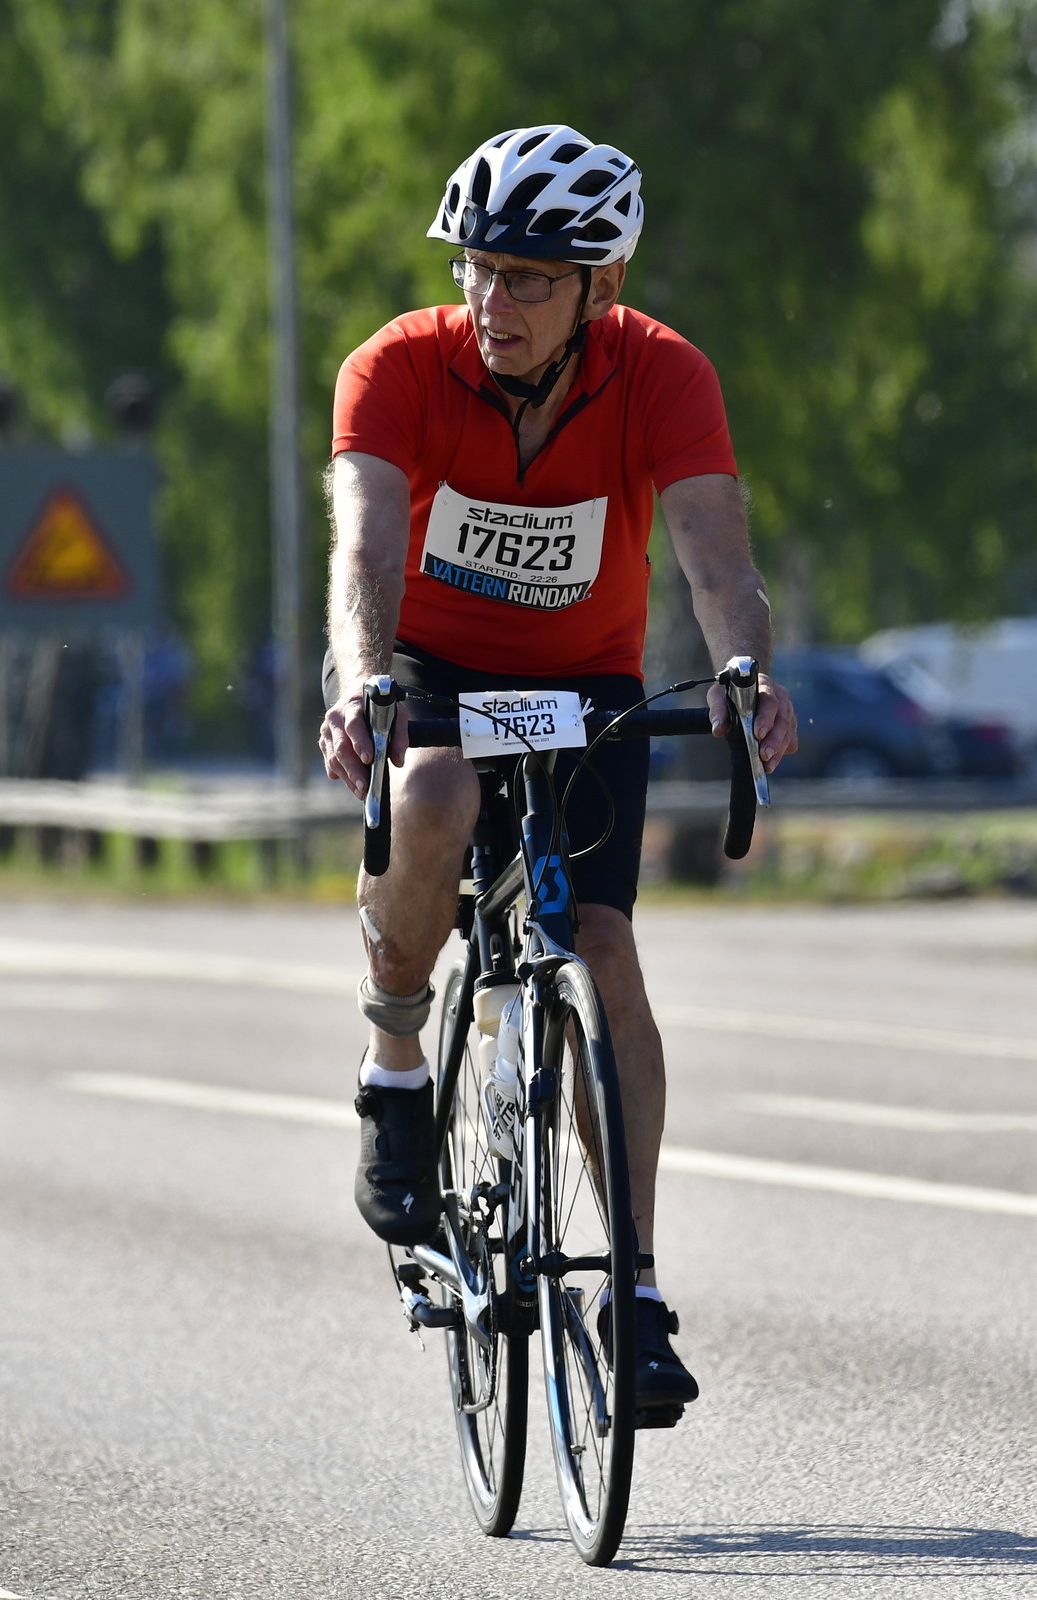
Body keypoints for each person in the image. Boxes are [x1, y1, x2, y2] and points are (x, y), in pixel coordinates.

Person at [318, 124, 798, 1422]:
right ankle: (396, 1064)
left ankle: (633, 1288)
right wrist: (362, 681)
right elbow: (364, 550)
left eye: (530, 278)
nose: (496, 302)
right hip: (427, 667)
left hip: (585, 686)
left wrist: (742, 675)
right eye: (480, 268)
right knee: (433, 794)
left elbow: (717, 562)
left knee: (606, 948)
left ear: (603, 285)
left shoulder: (663, 374)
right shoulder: (396, 367)